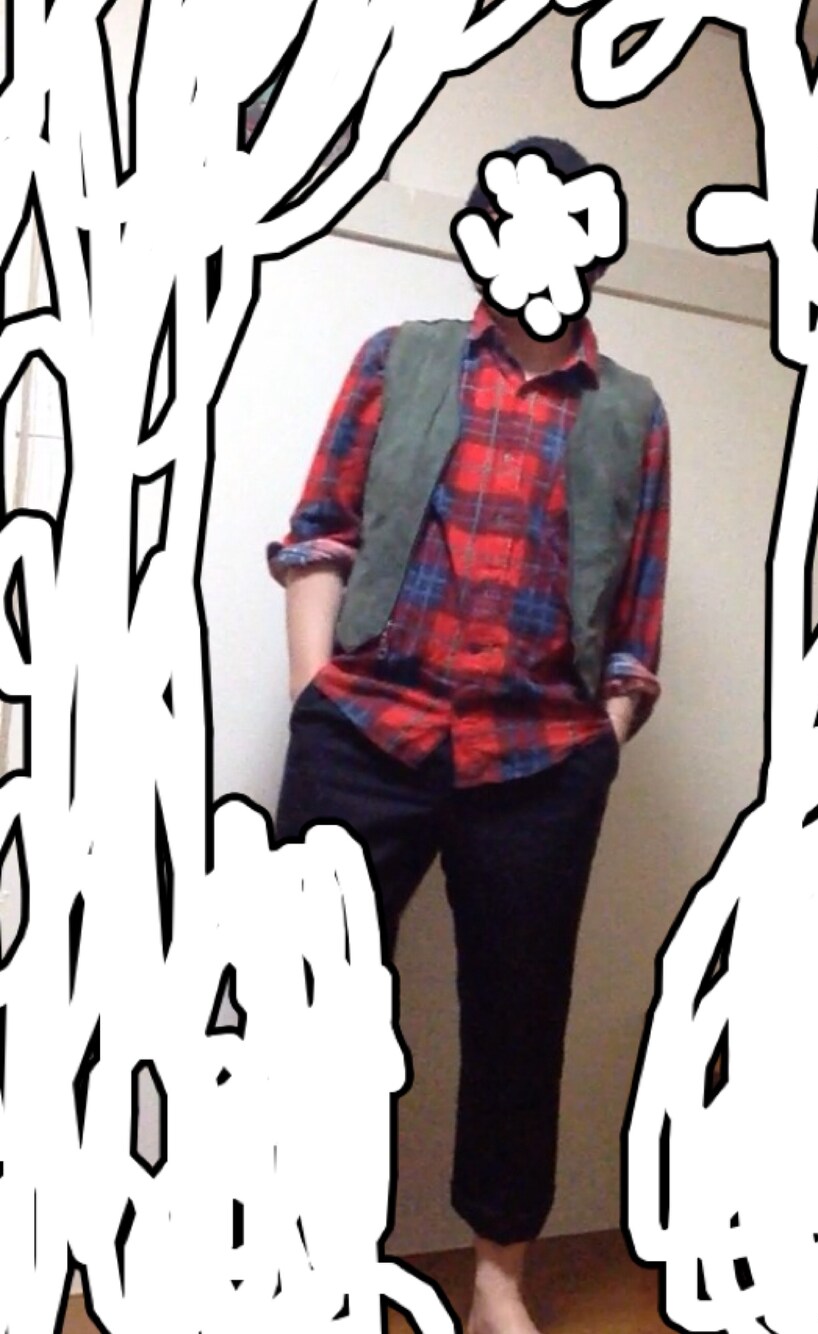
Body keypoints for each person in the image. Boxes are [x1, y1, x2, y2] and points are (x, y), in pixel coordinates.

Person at [268, 137, 670, 1334]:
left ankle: (498, 1281)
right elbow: (321, 531)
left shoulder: (633, 411)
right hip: (364, 734)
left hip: (539, 764)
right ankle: (297, 1258)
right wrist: (313, 694)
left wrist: (598, 737)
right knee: (308, 1000)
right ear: (484, 240)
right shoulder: (400, 358)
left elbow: (635, 619)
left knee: (517, 1023)